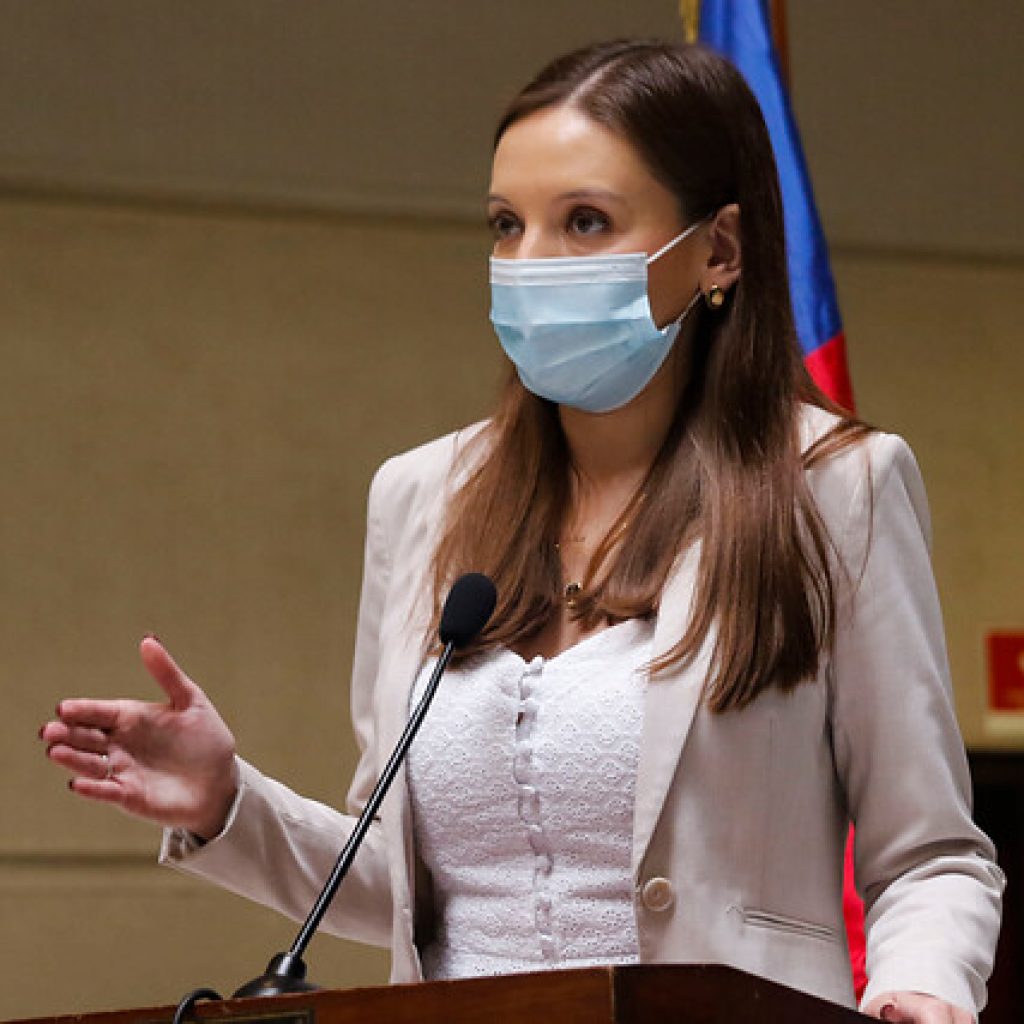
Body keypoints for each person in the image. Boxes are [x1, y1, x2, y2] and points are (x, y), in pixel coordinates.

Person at [39, 40, 1002, 1023]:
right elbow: (405, 888)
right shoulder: (421, 494)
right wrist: (226, 802)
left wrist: (921, 987)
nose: (529, 263)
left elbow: (930, 855)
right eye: (507, 225)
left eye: (585, 221)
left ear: (718, 249)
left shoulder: (834, 487)